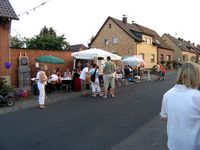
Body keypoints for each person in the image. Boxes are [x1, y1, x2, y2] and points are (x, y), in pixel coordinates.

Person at [160, 61, 200, 150]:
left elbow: (163, 117)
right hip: (193, 145)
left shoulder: (167, 94)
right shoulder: (197, 96)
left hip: (173, 144)